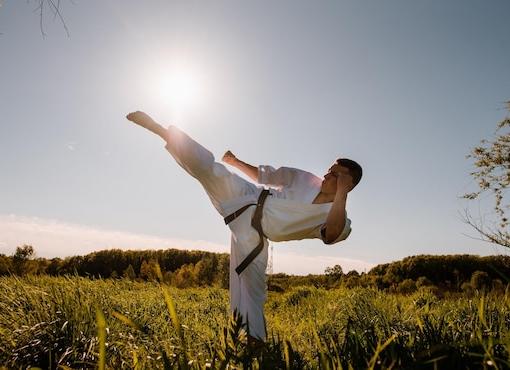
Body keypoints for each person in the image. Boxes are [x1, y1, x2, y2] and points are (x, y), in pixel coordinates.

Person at [126, 111, 362, 342]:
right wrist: (235, 162)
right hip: (249, 196)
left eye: (335, 174)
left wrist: (341, 194)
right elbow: (265, 176)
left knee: (253, 289)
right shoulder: (306, 179)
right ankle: (161, 131)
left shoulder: (337, 217)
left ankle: (251, 344)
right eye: (329, 170)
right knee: (212, 170)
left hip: (255, 237)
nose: (326, 175)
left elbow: (331, 235)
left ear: (347, 183)